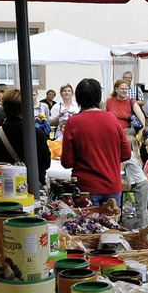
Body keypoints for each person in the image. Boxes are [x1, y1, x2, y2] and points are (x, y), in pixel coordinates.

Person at [61, 78, 131, 206]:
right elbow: (126, 154)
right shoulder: (112, 119)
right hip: (112, 184)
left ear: (78, 97)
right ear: (98, 96)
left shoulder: (73, 123)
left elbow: (67, 162)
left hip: (86, 187)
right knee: (111, 224)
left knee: (88, 225)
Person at [0, 88, 51, 185]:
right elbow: (46, 163)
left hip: (6, 184)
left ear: (4, 108)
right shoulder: (36, 134)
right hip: (32, 185)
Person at [123, 131, 148, 229]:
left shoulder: (128, 156)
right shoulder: (135, 152)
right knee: (143, 207)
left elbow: (119, 169)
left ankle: (142, 227)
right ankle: (145, 225)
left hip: (139, 184)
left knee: (140, 208)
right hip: (143, 182)